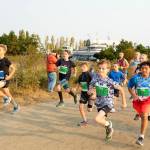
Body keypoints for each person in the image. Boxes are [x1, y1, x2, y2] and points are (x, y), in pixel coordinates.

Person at [88, 60, 127, 141]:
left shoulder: (110, 81)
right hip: (99, 103)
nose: (101, 70)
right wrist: (90, 91)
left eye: (103, 68)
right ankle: (108, 129)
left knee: (97, 119)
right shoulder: (95, 77)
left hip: (108, 103)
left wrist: (124, 102)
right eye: (99, 68)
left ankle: (109, 125)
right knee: (102, 120)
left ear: (108, 70)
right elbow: (91, 86)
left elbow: (121, 89)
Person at [128, 61, 150, 146]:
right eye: (142, 68)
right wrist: (133, 94)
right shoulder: (135, 78)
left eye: (146, 68)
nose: (144, 70)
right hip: (137, 100)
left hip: (148, 100)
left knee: (144, 115)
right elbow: (129, 87)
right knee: (141, 113)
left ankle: (141, 137)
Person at [0, 44, 19, 113]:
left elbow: (13, 69)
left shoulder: (6, 60)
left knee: (7, 96)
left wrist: (9, 76)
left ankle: (5, 98)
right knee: (8, 94)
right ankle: (16, 106)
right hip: (0, 78)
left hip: (5, 79)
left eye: (0, 50)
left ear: (4, 51)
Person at [77, 62, 95, 127]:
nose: (82, 68)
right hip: (83, 94)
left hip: (90, 95)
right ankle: (85, 121)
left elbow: (95, 82)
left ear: (87, 68)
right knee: (80, 106)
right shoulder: (80, 76)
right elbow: (79, 84)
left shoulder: (90, 74)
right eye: (81, 67)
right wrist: (76, 90)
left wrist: (93, 91)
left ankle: (92, 104)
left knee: (89, 110)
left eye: (84, 67)